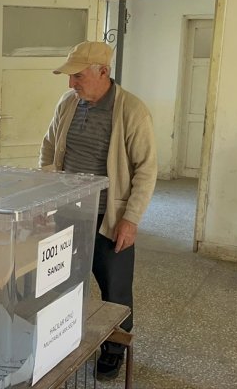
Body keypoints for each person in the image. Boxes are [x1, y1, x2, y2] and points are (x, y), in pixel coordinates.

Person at [39, 41, 157, 380]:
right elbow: (48, 149)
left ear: (102, 72)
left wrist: (131, 219)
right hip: (68, 212)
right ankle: (63, 337)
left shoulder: (132, 111)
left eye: (77, 76)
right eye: (69, 76)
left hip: (109, 217)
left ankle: (115, 348)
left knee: (115, 287)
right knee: (64, 280)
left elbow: (146, 170)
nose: (71, 84)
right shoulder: (68, 103)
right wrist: (48, 194)